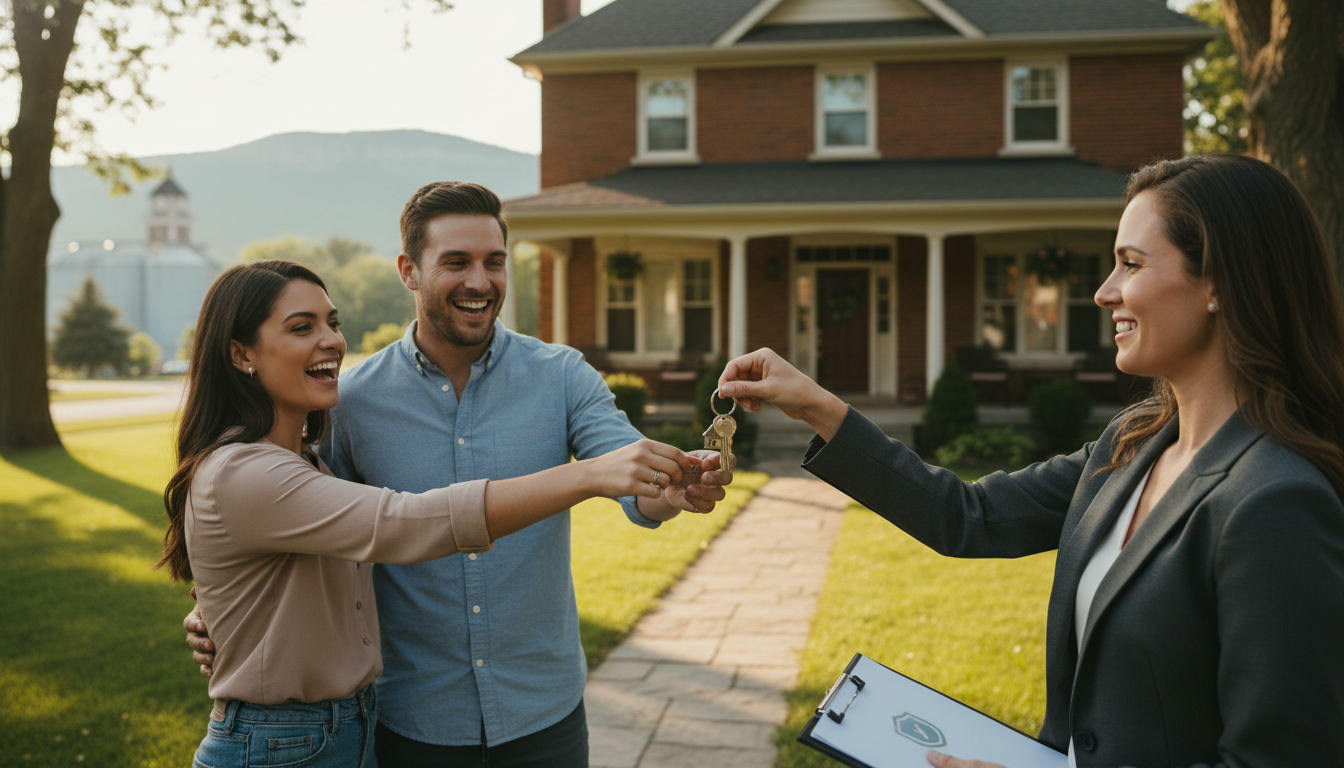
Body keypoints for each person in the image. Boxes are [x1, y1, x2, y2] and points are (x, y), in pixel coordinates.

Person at [718, 155, 1344, 767]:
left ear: (1220, 284)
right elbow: (973, 516)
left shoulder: (1275, 503)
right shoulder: (1129, 445)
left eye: (1131, 264)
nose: (1104, 293)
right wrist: (819, 407)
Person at [185, 182, 734, 766]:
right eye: (456, 262)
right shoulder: (348, 402)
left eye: (494, 262)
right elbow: (337, 527)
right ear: (409, 271)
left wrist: (670, 489)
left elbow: (634, 480)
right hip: (411, 718)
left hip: (542, 711)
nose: (480, 281)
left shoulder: (562, 376)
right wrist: (220, 609)